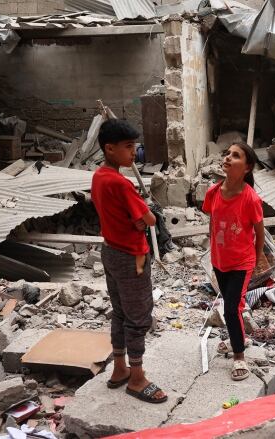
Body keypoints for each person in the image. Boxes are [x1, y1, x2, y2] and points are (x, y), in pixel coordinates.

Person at [90, 119, 167, 404]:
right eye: (128, 147)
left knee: (120, 312)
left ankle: (119, 368)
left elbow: (126, 217)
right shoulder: (120, 183)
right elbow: (148, 219)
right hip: (130, 256)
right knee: (138, 318)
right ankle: (137, 377)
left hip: (110, 251)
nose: (134, 152)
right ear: (110, 149)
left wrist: (135, 220)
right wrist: (144, 218)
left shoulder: (98, 177)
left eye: (134, 146)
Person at [202, 142, 267, 381]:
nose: (228, 158)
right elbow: (213, 221)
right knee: (234, 306)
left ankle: (239, 356)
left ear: (247, 167)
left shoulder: (251, 199)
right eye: (227, 154)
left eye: (236, 156)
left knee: (230, 308)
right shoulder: (213, 192)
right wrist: (213, 250)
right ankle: (237, 338)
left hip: (242, 263)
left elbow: (260, 234)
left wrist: (257, 261)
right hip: (219, 260)